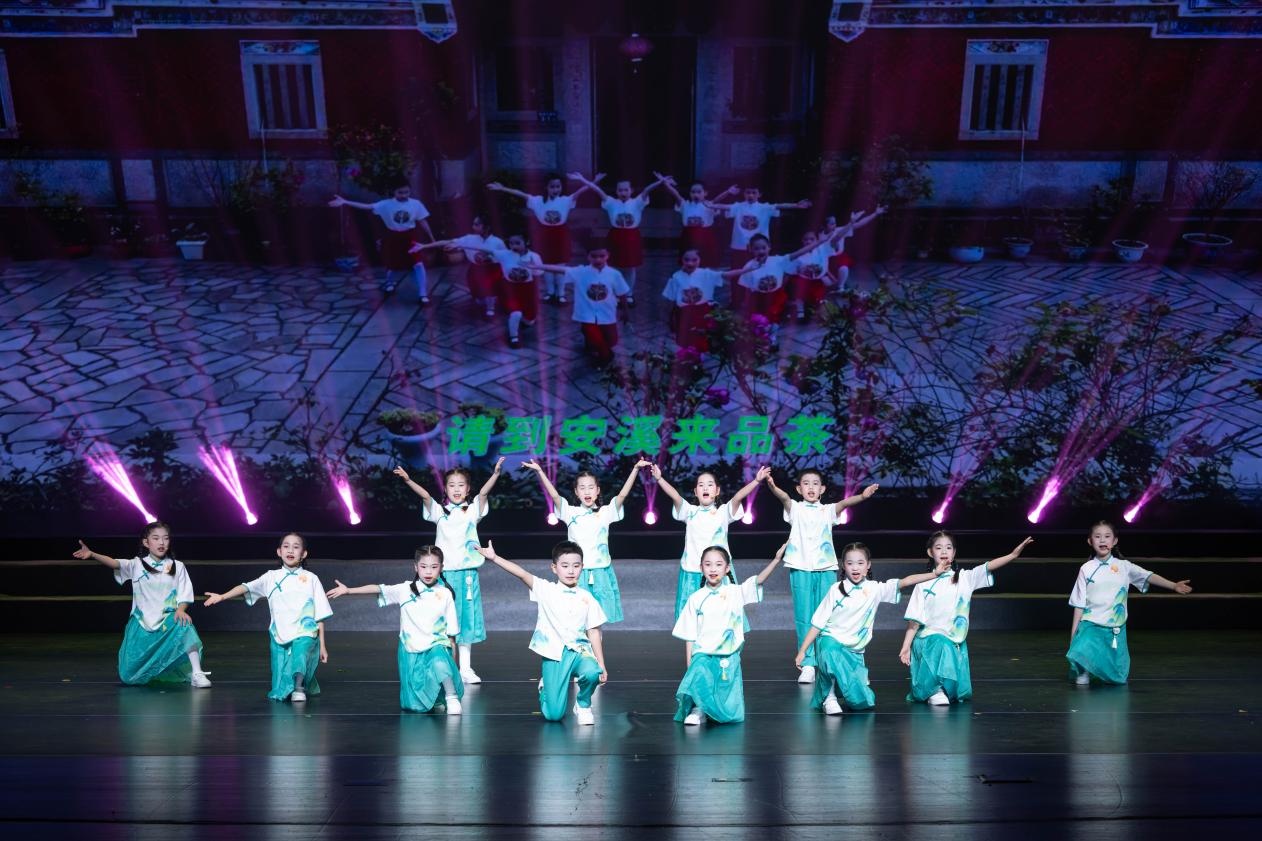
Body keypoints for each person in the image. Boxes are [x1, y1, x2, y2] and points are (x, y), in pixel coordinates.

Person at [393, 459, 504, 684]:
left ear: (468, 489)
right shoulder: (439, 512)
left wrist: (495, 474)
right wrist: (408, 480)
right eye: (451, 485)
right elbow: (426, 496)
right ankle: (442, 666)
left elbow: (483, 494)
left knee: (466, 621)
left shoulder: (472, 510)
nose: (456, 489)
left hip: (467, 575)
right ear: (445, 488)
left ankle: (466, 669)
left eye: (461, 485)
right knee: (440, 620)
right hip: (441, 576)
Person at [794, 543, 937, 714]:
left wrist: (935, 574)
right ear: (843, 566)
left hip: (854, 650)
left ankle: (852, 690)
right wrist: (803, 651)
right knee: (830, 651)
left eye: (860, 563)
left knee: (861, 702)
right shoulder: (835, 590)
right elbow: (818, 623)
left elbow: (905, 582)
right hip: (830, 641)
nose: (855, 568)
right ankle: (829, 698)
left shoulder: (874, 588)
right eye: (850, 563)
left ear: (868, 565)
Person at [764, 469, 878, 683]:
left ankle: (828, 661)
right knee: (804, 616)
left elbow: (844, 503)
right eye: (806, 483)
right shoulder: (795, 508)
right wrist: (771, 485)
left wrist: (862, 496)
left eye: (815, 483)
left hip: (825, 568)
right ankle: (808, 664)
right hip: (800, 567)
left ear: (822, 489)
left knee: (829, 617)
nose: (811, 487)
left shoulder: (827, 511)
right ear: (799, 489)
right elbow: (784, 497)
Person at [478, 540, 609, 724]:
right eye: (565, 566)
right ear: (554, 568)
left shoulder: (587, 597)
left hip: (580, 653)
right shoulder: (546, 589)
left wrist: (601, 663)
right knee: (554, 715)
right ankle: (545, 687)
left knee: (593, 672)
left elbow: (593, 631)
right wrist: (494, 558)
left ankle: (583, 704)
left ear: (582, 567)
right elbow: (522, 573)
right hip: (555, 654)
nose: (571, 571)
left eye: (576, 566)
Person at [325, 545, 464, 714]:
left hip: (437, 644)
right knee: (415, 706)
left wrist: (455, 665)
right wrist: (348, 591)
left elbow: (451, 636)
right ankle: (434, 698)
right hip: (411, 648)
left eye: (434, 567)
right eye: (423, 566)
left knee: (440, 662)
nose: (428, 571)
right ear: (415, 567)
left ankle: (451, 696)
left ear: (441, 567)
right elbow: (378, 588)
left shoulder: (445, 594)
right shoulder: (405, 589)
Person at [899, 533, 1034, 705]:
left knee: (955, 677)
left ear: (954, 552)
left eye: (948, 547)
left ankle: (943, 688)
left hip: (953, 640)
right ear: (930, 552)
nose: (944, 551)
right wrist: (906, 646)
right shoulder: (923, 584)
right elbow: (914, 620)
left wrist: (1013, 555)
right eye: (938, 547)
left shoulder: (965, 578)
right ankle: (935, 690)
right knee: (940, 642)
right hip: (928, 640)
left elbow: (988, 566)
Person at [73, 522, 210, 688]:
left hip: (168, 621)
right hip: (142, 623)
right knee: (128, 676)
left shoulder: (177, 566)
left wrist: (181, 610)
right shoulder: (136, 564)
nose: (161, 542)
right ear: (146, 542)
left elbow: (184, 592)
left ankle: (197, 673)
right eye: (156, 538)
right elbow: (115, 563)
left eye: (165, 538)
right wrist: (92, 554)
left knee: (184, 624)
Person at [203, 532, 332, 702]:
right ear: (279, 551)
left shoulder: (311, 579)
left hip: (305, 630)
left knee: (300, 653)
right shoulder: (271, 577)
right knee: (279, 684)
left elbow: (319, 613)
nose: (290, 550)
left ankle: (298, 688)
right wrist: (222, 596)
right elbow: (246, 587)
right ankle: (291, 686)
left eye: (296, 547)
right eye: (286, 546)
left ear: (304, 554)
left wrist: (322, 645)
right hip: (280, 633)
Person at [520, 459, 650, 623]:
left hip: (601, 572)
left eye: (591, 487)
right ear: (576, 492)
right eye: (582, 488)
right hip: (576, 573)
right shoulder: (570, 512)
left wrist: (635, 469)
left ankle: (596, 641)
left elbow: (622, 495)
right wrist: (540, 471)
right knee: (577, 619)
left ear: (598, 490)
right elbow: (554, 495)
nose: (587, 492)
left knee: (598, 620)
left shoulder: (606, 512)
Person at [1066, 520, 1192, 686]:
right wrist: (1074, 634)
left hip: (1115, 625)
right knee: (1082, 647)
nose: (1102, 540)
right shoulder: (1086, 568)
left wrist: (1173, 585)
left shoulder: (1124, 566)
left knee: (1118, 677)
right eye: (1097, 536)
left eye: (1107, 536)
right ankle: (1083, 672)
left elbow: (1148, 576)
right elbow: (1079, 602)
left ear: (1115, 541)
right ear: (1090, 541)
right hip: (1090, 622)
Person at [672, 544, 785, 725]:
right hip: (703, 653)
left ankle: (710, 710)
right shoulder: (696, 598)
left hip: (728, 654)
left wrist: (776, 560)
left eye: (718, 564)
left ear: (727, 568)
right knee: (700, 676)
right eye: (708, 564)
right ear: (701, 568)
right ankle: (698, 709)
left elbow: (758, 581)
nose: (713, 569)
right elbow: (690, 634)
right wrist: (690, 664)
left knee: (728, 707)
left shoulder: (735, 592)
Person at [649, 463, 770, 619]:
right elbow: (675, 496)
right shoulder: (690, 511)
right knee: (692, 618)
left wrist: (756, 481)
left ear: (717, 491)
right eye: (701, 485)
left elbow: (738, 497)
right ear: (695, 492)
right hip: (692, 572)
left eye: (710, 485)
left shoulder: (723, 512)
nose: (705, 488)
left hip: (720, 573)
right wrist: (659, 479)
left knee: (722, 617)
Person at [487, 172, 604, 304]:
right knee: (545, 265)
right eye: (552, 187)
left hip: (560, 234)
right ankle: (550, 292)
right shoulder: (537, 201)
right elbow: (521, 194)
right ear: (546, 187)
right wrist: (503, 188)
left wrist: (594, 181)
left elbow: (581, 191)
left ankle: (560, 293)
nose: (555, 189)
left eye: (558, 186)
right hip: (544, 234)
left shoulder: (565, 200)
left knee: (560, 265)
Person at [415, 233, 542, 348]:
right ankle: (514, 337)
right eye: (511, 243)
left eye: (517, 243)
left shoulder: (534, 257)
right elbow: (482, 249)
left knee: (530, 318)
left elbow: (538, 274)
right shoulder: (504, 254)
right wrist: (462, 245)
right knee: (515, 313)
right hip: (512, 289)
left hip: (528, 290)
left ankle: (527, 321)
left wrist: (533, 272)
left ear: (526, 242)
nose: (514, 246)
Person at [570, 172, 669, 304]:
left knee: (630, 266)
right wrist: (583, 179)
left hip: (631, 236)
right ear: (616, 191)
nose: (623, 192)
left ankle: (629, 294)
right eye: (620, 190)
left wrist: (660, 181)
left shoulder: (637, 202)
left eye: (626, 190)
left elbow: (646, 190)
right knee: (614, 265)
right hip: (616, 236)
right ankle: (616, 292)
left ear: (631, 190)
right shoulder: (611, 202)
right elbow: (598, 191)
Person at [329, 183, 435, 301]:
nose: (404, 195)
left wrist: (431, 237)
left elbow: (422, 221)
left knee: (418, 263)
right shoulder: (386, 204)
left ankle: (422, 293)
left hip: (410, 236)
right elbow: (367, 206)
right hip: (393, 236)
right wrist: (345, 202)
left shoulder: (416, 204)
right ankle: (389, 283)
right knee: (392, 263)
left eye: (407, 192)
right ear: (394, 192)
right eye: (400, 192)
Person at [536, 245, 630, 366]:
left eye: (602, 256)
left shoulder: (614, 274)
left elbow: (622, 293)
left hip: (607, 312)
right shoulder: (580, 272)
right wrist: (537, 266)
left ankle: (591, 341)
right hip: (587, 313)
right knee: (596, 339)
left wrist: (625, 311)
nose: (598, 259)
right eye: (594, 256)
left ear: (608, 256)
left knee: (612, 341)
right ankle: (605, 357)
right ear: (588, 257)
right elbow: (559, 269)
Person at [660, 248, 756, 352]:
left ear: (700, 260)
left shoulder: (706, 274)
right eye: (686, 260)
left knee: (701, 337)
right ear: (681, 260)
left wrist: (746, 270)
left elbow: (726, 274)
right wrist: (671, 319)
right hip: (683, 314)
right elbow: (670, 297)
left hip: (702, 312)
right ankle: (686, 356)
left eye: (694, 260)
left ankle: (699, 357)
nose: (690, 263)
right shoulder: (676, 276)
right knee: (684, 339)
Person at [711, 185, 810, 268]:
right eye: (748, 192)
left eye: (754, 193)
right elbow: (715, 204)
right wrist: (728, 192)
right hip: (739, 245)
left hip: (760, 247)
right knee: (738, 272)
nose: (750, 195)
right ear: (744, 194)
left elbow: (779, 205)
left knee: (759, 271)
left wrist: (796, 205)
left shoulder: (765, 207)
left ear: (759, 194)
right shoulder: (737, 206)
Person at [657, 175, 738, 267]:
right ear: (690, 193)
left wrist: (728, 192)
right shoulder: (685, 205)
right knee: (688, 260)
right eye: (693, 192)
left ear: (705, 193)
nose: (696, 194)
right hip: (688, 236)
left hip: (705, 235)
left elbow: (717, 199)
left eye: (699, 192)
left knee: (705, 260)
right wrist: (665, 183)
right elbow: (675, 194)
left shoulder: (708, 205)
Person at [445, 215, 506, 318]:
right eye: (473, 224)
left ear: (487, 227)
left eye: (477, 224)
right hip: (476, 268)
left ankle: (490, 308)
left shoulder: (497, 242)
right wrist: (425, 246)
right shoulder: (470, 238)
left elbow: (504, 257)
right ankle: (482, 299)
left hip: (491, 269)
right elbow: (450, 242)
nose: (473, 227)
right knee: (476, 289)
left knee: (490, 288)